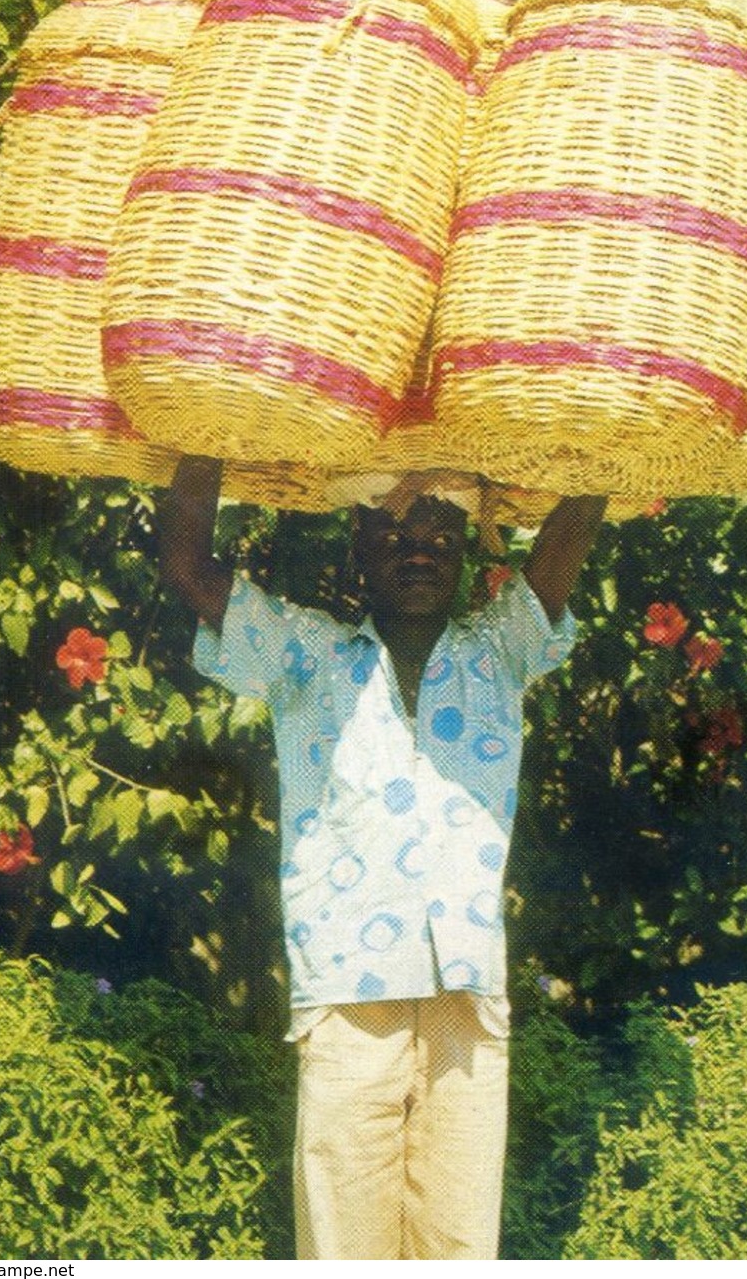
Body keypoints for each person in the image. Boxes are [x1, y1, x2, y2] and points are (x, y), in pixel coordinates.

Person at [160, 454, 606, 1261]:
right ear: (356, 552)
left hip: (463, 996)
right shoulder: (307, 656)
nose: (417, 549)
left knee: (458, 1241)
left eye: (439, 532)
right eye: (392, 533)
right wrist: (206, 438)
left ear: (467, 552)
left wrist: (606, 447)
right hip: (345, 995)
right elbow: (187, 566)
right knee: (343, 1243)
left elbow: (567, 536)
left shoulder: (498, 652)